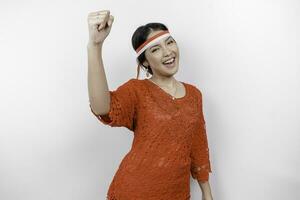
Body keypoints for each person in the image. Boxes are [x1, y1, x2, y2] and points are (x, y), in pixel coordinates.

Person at [87, 10, 214, 200]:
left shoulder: (194, 95)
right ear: (145, 61)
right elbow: (102, 108)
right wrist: (95, 46)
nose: (168, 52)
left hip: (177, 193)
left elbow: (198, 145)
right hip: (134, 191)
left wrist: (207, 193)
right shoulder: (137, 90)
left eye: (169, 42)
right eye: (155, 49)